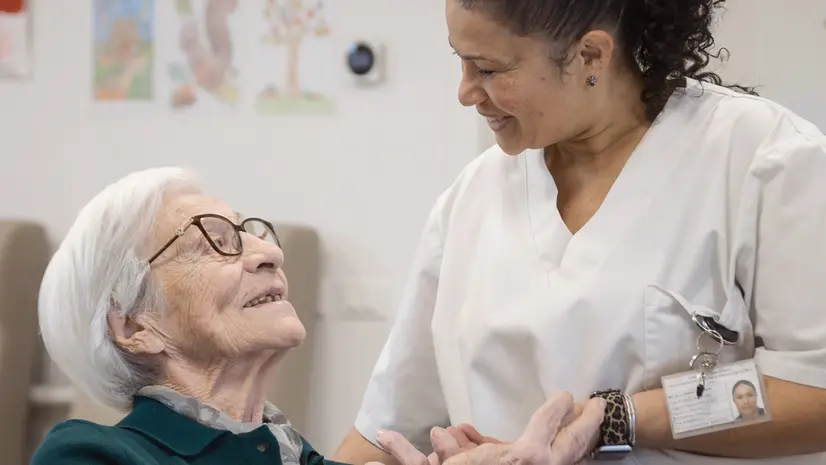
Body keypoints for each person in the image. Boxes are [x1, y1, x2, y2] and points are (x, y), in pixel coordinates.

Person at [333, 0, 826, 464]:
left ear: (590, 54)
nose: (464, 92)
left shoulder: (761, 160)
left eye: (487, 69)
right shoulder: (473, 197)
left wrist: (617, 418)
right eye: (460, 61)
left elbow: (814, 392)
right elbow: (385, 431)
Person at [29, 168, 605, 465]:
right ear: (133, 325)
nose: (268, 252)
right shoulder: (91, 454)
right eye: (214, 240)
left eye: (251, 231)